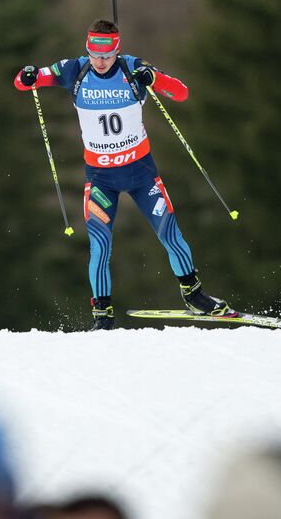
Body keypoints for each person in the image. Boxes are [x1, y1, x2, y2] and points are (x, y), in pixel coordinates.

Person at [14, 19, 235, 329]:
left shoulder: (133, 69)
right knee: (100, 245)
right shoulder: (73, 70)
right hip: (100, 178)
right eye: (94, 54)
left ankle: (195, 296)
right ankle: (102, 315)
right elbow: (25, 82)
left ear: (117, 51)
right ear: (87, 50)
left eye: (107, 55)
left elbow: (181, 93)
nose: (100, 62)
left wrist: (154, 78)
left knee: (169, 232)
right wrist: (29, 74)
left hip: (141, 173)